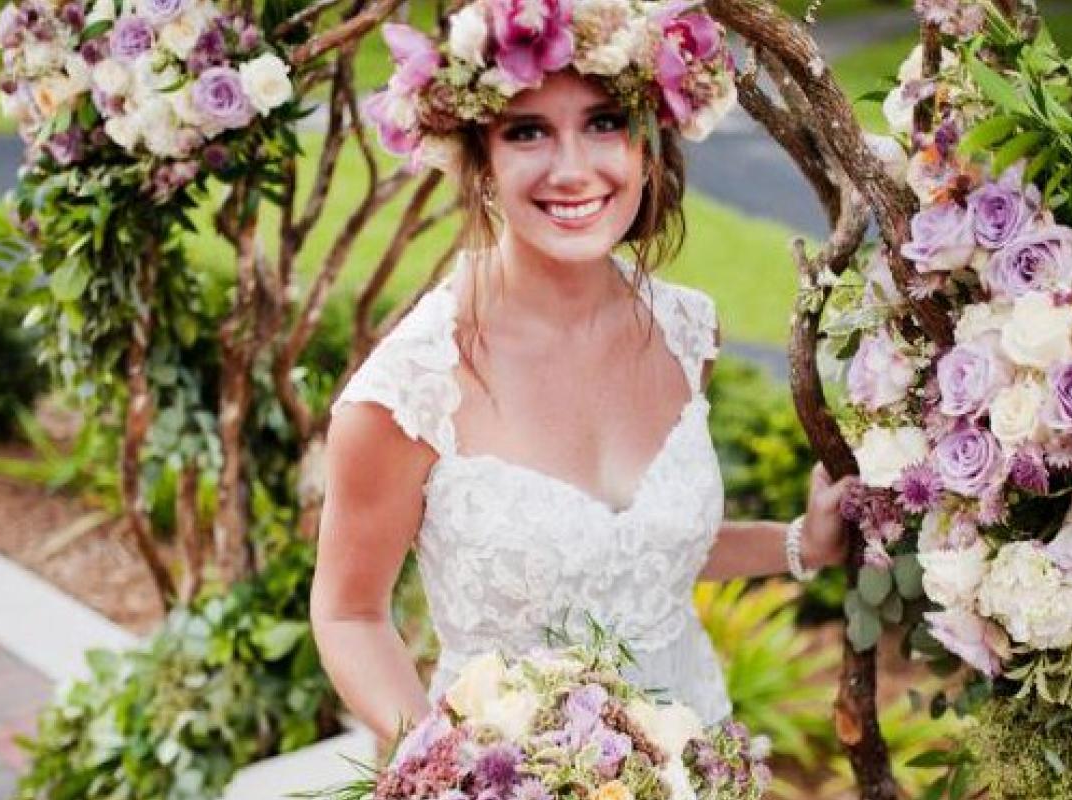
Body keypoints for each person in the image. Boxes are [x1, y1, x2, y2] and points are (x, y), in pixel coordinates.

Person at [310, 0, 855, 752]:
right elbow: (349, 615)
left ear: (646, 145)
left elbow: (637, 557)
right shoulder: (408, 392)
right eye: (528, 131)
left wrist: (801, 543)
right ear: (481, 159)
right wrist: (442, 761)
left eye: (604, 122)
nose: (573, 170)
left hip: (698, 753)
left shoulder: (683, 329)